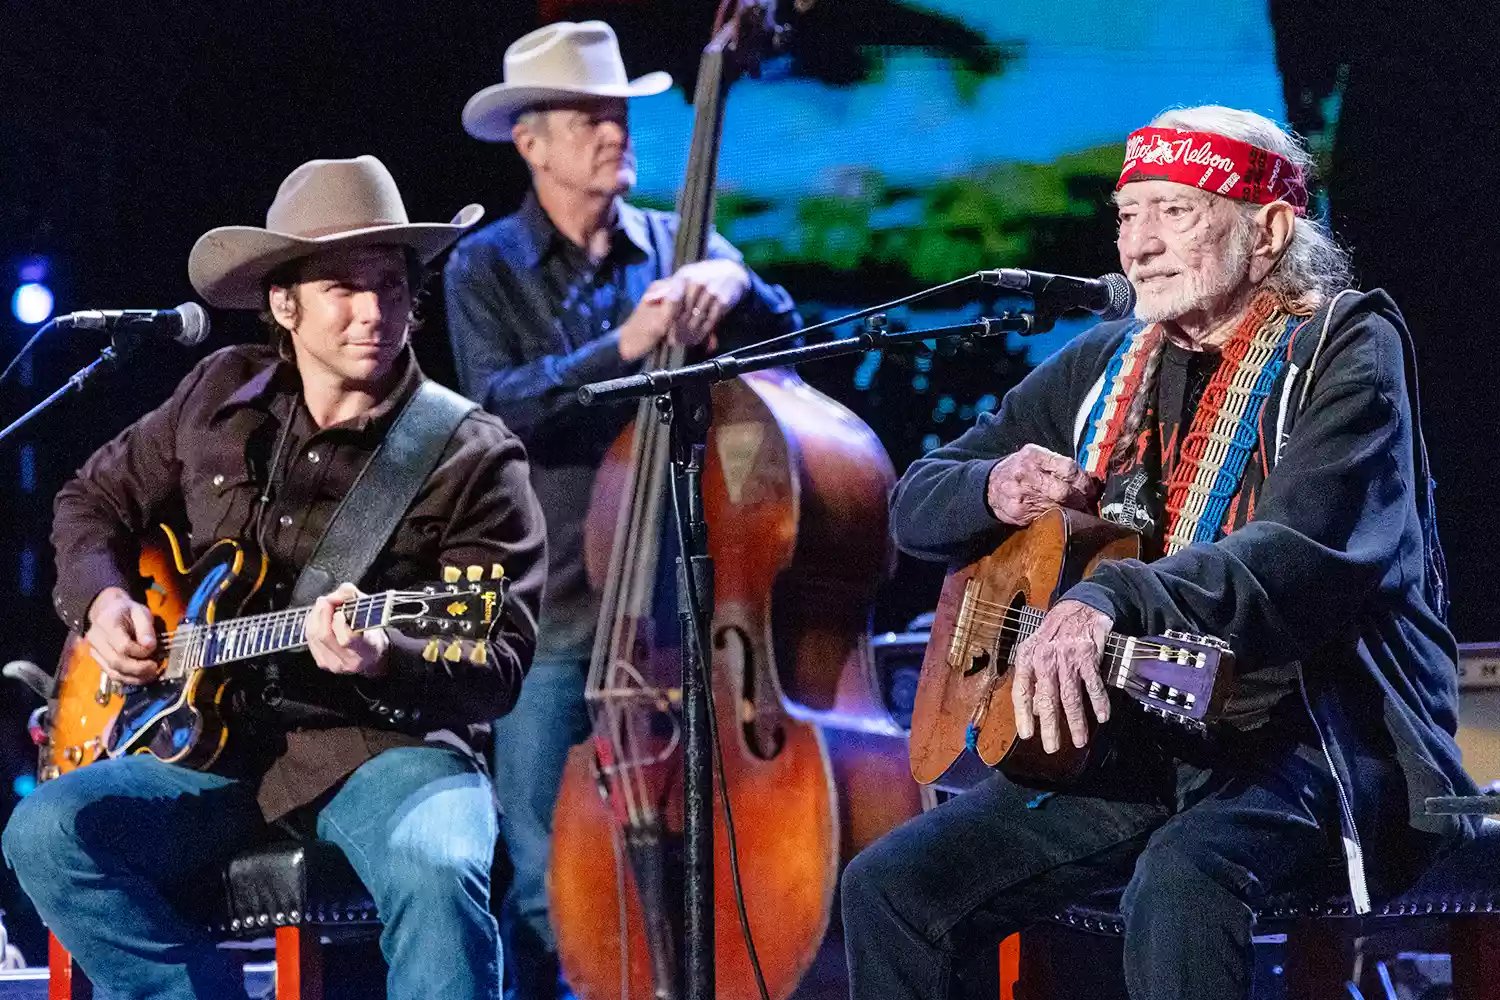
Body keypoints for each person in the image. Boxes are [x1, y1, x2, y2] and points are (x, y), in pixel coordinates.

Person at [840, 106, 1476, 1000]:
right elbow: (914, 501)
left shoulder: (1344, 348)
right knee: (892, 886)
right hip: (1135, 743)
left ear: (1269, 231)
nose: (1137, 245)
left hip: (1311, 743)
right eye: (1127, 214)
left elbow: (1298, 554)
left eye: (1174, 211)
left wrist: (1108, 600)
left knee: (1182, 882)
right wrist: (995, 488)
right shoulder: (1104, 362)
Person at [2, 155, 548, 1000]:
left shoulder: (471, 452)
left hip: (389, 751)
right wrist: (105, 600)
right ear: (284, 303)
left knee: (438, 866)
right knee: (48, 832)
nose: (375, 312)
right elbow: (90, 500)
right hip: (215, 754)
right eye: (343, 287)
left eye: (392, 286)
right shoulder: (217, 394)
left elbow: (502, 658)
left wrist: (386, 654)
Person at [444, 20, 799, 997]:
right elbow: (499, 410)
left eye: (620, 115)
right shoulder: (486, 267)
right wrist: (626, 346)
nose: (615, 134)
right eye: (589, 117)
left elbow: (789, 345)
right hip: (557, 604)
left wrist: (740, 281)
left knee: (707, 845)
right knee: (542, 859)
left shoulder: (677, 245)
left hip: (687, 595)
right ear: (532, 143)